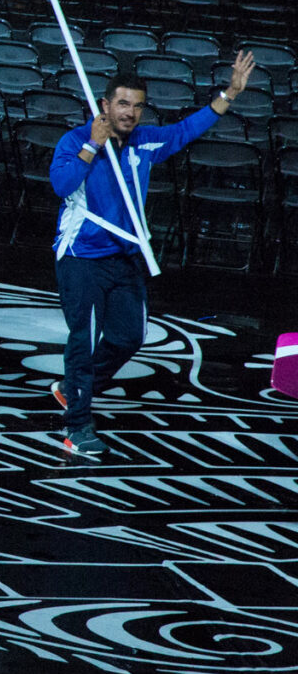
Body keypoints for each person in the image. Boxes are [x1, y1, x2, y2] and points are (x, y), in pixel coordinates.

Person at [50, 55, 255, 458]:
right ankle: (77, 427)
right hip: (81, 257)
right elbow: (62, 184)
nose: (130, 112)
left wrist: (230, 92)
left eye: (137, 105)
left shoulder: (146, 142)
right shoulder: (75, 140)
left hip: (124, 258)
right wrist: (94, 143)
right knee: (84, 339)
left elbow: (186, 130)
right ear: (105, 105)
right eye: (123, 104)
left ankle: (71, 387)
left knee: (130, 337)